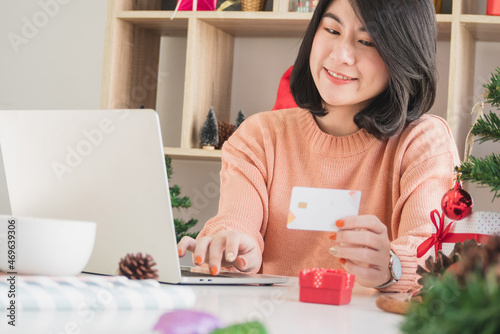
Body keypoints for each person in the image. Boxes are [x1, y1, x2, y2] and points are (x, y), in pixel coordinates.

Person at [178, 0, 459, 292]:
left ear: (404, 54)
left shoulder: (423, 142)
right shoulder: (260, 136)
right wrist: (231, 245)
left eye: (366, 41)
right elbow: (236, 220)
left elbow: (431, 252)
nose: (340, 55)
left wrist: (391, 266)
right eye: (331, 30)